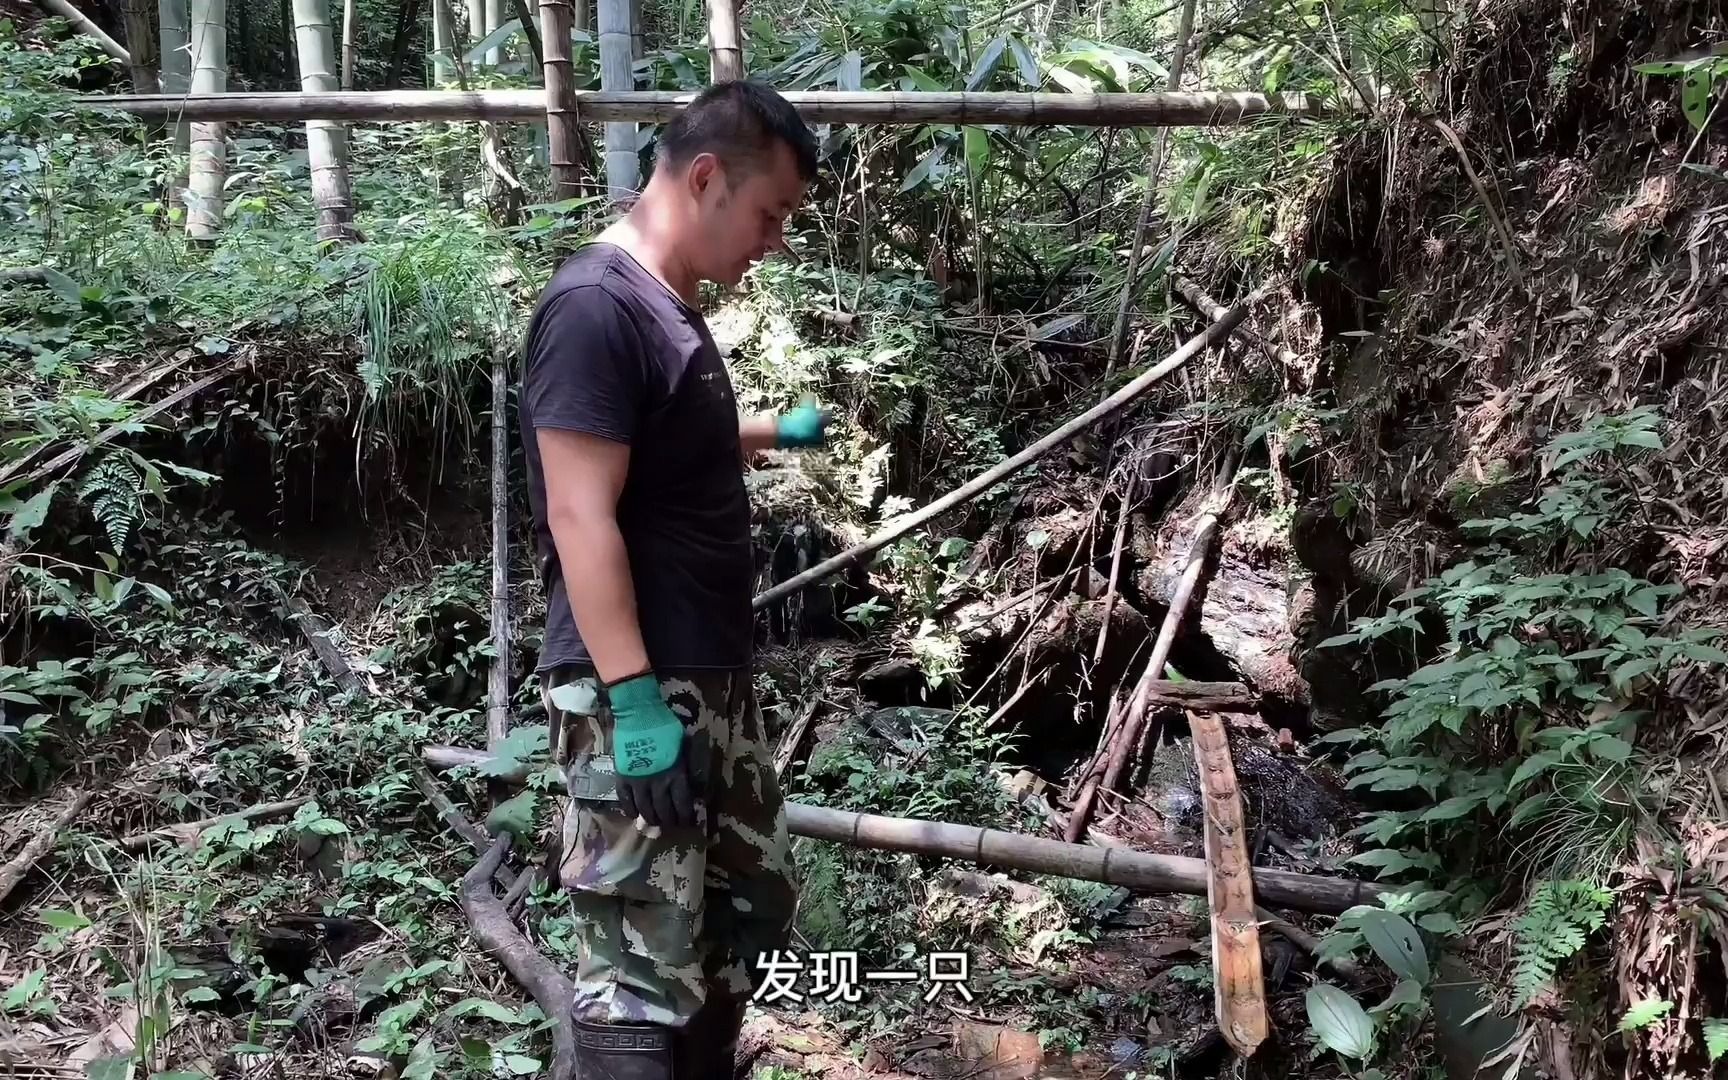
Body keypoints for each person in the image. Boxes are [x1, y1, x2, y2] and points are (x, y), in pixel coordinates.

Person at [518, 79, 825, 1080]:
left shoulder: (665, 311)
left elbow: (656, 441)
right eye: (769, 213)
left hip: (707, 677)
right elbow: (578, 508)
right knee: (640, 963)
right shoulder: (594, 308)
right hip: (640, 688)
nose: (773, 240)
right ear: (704, 179)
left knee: (740, 923)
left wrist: (771, 430)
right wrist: (636, 699)